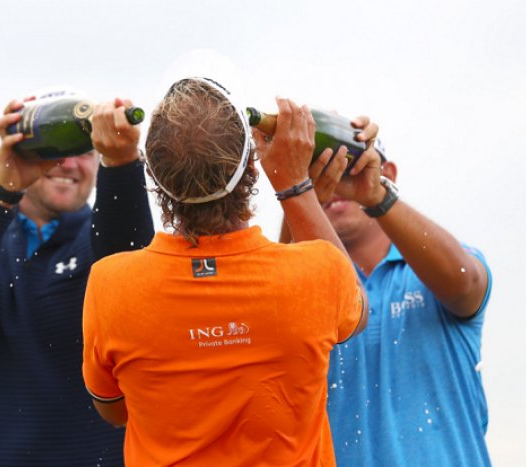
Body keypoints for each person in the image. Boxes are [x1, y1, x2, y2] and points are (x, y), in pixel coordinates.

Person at [82, 77, 378, 466]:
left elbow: (115, 411)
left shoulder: (111, 285)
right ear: (252, 166)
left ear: (154, 177)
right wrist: (295, 185)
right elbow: (357, 315)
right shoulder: (317, 272)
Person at [0, 90, 154, 466]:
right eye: (56, 150)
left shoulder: (101, 240)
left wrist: (123, 163)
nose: (68, 164)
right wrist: (3, 187)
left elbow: (133, 272)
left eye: (85, 150)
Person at [281, 135, 493, 465]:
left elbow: (464, 280)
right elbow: (277, 313)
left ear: (388, 173)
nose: (334, 181)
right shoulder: (316, 287)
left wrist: (376, 195)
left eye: (346, 164)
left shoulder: (431, 266)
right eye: (318, 169)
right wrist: (295, 192)